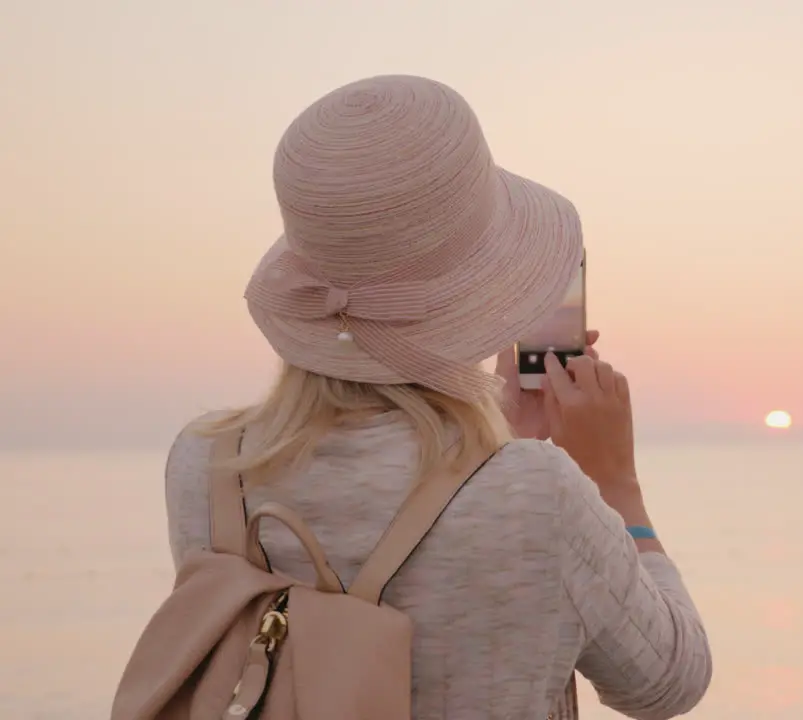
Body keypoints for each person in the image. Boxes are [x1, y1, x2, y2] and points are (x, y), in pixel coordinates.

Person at [162, 75, 712, 720]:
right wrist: (613, 479)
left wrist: (497, 445)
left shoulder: (206, 461)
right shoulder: (535, 489)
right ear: (488, 290)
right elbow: (668, 683)